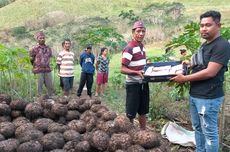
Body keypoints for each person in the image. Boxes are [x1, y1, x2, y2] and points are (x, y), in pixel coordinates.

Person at [171, 10, 230, 152]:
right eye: (202, 25)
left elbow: (211, 72)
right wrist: (188, 64)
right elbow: (200, 63)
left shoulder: (222, 45)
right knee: (198, 129)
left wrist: (184, 78)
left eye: (208, 25)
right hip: (196, 94)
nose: (204, 28)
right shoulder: (206, 44)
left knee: (209, 132)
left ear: (218, 25)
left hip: (208, 98)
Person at [121, 20, 149, 130]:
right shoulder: (129, 48)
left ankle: (143, 132)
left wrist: (147, 65)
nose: (141, 33)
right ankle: (130, 134)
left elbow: (140, 64)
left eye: (143, 31)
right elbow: (123, 69)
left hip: (143, 83)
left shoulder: (142, 47)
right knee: (131, 113)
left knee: (143, 111)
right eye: (138, 31)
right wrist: (136, 72)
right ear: (133, 32)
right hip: (133, 85)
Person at [29, 31, 53, 98]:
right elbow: (31, 59)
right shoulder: (34, 48)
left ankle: (51, 99)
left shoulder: (48, 48)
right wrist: (35, 66)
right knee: (39, 87)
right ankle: (39, 100)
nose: (42, 39)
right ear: (37, 39)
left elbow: (50, 58)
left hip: (47, 70)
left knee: (50, 86)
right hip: (38, 70)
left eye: (43, 38)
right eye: (40, 38)